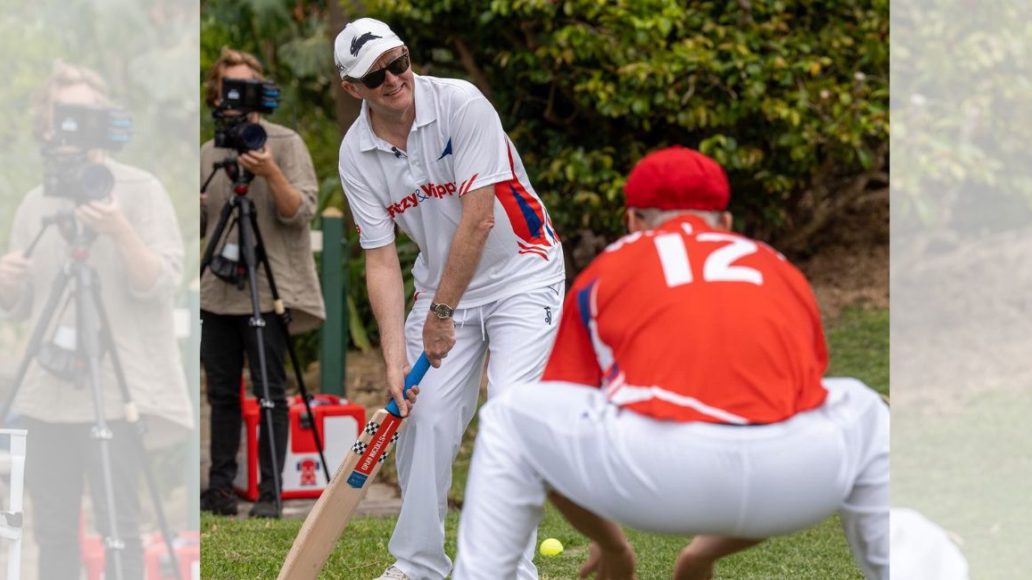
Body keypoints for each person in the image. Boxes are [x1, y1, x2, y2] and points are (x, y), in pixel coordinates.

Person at [452, 146, 890, 580]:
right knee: (865, 409)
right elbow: (772, 433)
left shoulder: (614, 264)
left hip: (652, 477)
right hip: (794, 483)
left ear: (633, 222)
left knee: (512, 417)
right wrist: (699, 557)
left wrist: (611, 544)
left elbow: (559, 425)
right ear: (725, 223)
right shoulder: (777, 268)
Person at [333, 17, 565, 580]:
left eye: (399, 61)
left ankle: (508, 567)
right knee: (425, 418)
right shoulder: (354, 153)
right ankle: (418, 565)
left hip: (523, 271)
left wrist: (440, 315)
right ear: (352, 88)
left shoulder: (461, 104)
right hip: (441, 286)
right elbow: (381, 257)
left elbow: (479, 219)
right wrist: (393, 358)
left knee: (509, 412)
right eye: (376, 74)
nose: (394, 79)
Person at [0, 61, 193, 580]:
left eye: (88, 114)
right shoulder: (34, 202)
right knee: (54, 535)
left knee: (119, 530)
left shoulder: (139, 189)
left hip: (115, 389)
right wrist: (8, 283)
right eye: (66, 115)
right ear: (47, 125)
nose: (75, 126)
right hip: (47, 397)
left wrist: (119, 229)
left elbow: (159, 284)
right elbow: (18, 306)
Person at [199, 47, 325, 519]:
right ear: (216, 95)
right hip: (218, 289)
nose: (237, 98)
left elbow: (300, 212)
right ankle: (219, 489)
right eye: (229, 88)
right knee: (221, 392)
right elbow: (200, 225)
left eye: (247, 87)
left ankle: (271, 494)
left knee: (272, 388)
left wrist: (270, 171)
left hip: (270, 290)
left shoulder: (285, 142)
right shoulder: (209, 151)